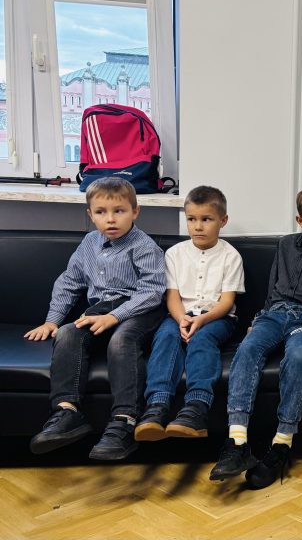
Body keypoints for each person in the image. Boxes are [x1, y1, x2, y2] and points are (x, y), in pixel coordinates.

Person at [209, 184, 302, 490]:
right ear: (300, 220)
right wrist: (259, 318)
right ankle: (237, 442)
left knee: (298, 357)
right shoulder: (286, 245)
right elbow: (274, 286)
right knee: (247, 349)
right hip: (275, 314)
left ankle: (282, 444)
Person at [24, 177, 166, 461]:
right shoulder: (89, 243)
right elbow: (69, 282)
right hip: (101, 309)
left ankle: (125, 421)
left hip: (140, 310)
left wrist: (114, 316)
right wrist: (52, 320)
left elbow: (152, 292)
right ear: (90, 214)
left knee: (121, 341)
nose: (110, 219)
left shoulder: (144, 246)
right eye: (101, 212)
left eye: (119, 211)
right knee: (67, 333)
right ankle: (67, 413)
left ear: (135, 211)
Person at [134, 186, 245, 442]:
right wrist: (182, 319)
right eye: (192, 219)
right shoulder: (175, 254)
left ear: (223, 220)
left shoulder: (231, 256)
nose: (198, 226)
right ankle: (156, 406)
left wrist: (201, 320)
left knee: (202, 339)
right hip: (179, 315)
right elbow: (172, 296)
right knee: (165, 337)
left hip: (217, 318)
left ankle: (196, 408)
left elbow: (227, 302)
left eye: (206, 219)